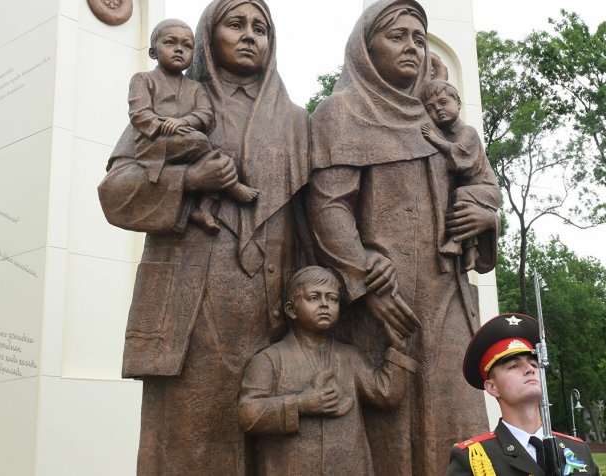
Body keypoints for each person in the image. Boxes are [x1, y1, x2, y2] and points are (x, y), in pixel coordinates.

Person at [97, 0, 310, 473]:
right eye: (236, 24)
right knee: (189, 451)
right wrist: (189, 181)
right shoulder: (175, 101)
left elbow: (316, 219)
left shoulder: (297, 120)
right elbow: (115, 193)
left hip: (278, 316)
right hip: (192, 313)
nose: (250, 35)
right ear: (209, 37)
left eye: (261, 28)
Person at [306, 1, 501, 474]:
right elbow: (328, 206)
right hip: (381, 298)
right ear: (365, 47)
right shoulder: (340, 113)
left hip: (445, 296)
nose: (412, 46)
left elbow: (481, 185)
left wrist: (484, 217)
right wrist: (363, 277)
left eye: (419, 37)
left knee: (458, 415)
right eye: (398, 36)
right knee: (385, 429)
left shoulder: (438, 117)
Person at [238, 266, 418, 475]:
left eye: (332, 299)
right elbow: (247, 414)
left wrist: (398, 352)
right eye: (314, 297)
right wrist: (302, 404)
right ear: (291, 309)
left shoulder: (351, 357)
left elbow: (386, 394)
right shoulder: (269, 360)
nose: (325, 304)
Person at [109, 18, 259, 236]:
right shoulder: (143, 80)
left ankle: (203, 209)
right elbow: (139, 113)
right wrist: (162, 125)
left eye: (187, 46)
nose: (179, 50)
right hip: (153, 144)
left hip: (186, 140)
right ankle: (231, 186)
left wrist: (182, 122)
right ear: (153, 52)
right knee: (200, 142)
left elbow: (205, 114)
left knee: (220, 161)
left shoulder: (195, 88)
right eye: (170, 43)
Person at [446, 314, 601, 476]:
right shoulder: (473, 458)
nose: (530, 369)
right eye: (513, 366)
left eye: (534, 364)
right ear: (492, 387)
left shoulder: (578, 450)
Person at [419, 79, 498, 270]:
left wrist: (434, 139)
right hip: (470, 191)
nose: (437, 110)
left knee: (460, 195)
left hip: (486, 189)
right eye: (430, 108)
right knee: (461, 203)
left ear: (459, 103)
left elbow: (461, 155)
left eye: (444, 102)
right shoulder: (446, 134)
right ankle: (471, 252)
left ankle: (455, 241)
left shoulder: (467, 131)